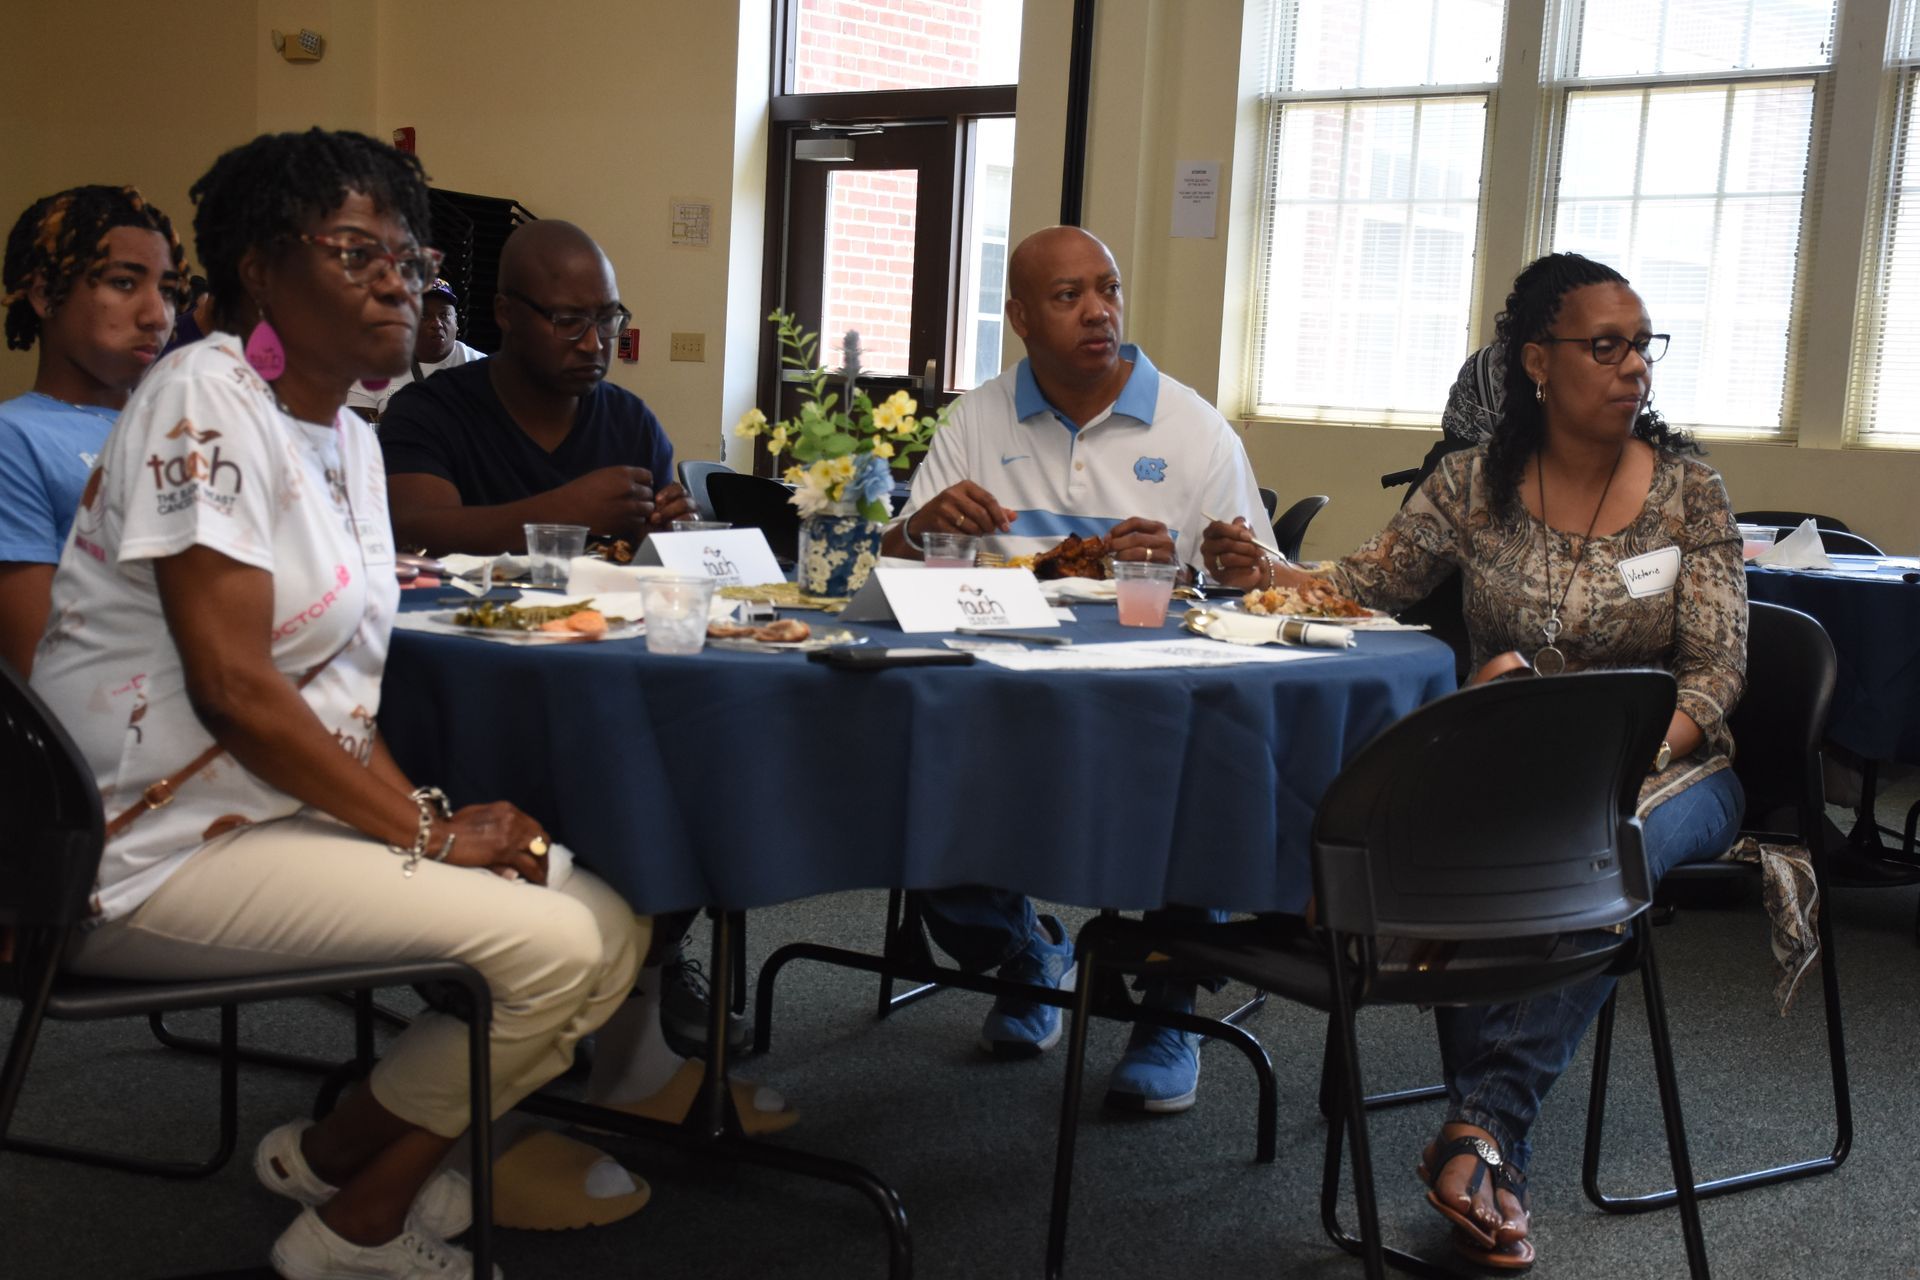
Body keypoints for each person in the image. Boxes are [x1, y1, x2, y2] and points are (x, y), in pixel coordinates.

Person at [30, 129, 652, 1280]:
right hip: (133, 844)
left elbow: (336, 702)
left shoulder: (352, 443)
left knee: (612, 922)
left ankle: (334, 1159)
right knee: (559, 946)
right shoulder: (202, 398)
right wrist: (428, 829)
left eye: (410, 261)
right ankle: (358, 1226)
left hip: (259, 813)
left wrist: (429, 817)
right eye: (355, 250)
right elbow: (234, 687)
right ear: (262, 269)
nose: (395, 283)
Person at [1202, 251, 1747, 1269]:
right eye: (1605, 346)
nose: (1633, 367)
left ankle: (1481, 1124)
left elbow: (1715, 679)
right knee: (1460, 843)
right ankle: (1491, 1160)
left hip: (1671, 768)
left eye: (1642, 346)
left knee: (1596, 844)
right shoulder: (1468, 483)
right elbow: (1366, 585)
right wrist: (1268, 568)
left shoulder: (1690, 493)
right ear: (1537, 361)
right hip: (1518, 757)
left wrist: (1622, 763)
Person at [882, 225, 1268, 1114]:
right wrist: (925, 524)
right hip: (1002, 692)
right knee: (912, 771)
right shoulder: (976, 418)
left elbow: (1254, 584)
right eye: (1068, 296)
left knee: (1209, 777)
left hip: (1154, 700)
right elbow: (898, 572)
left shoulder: (1192, 426)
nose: (1098, 311)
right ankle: (1027, 956)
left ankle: (1169, 1012)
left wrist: (1193, 566)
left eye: (1108, 288)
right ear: (1017, 316)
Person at [379, 220, 692, 554]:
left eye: (605, 319)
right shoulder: (429, 412)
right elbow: (416, 533)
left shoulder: (632, 424)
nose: (592, 343)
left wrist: (666, 537)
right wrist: (566, 513)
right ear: (506, 313)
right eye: (568, 321)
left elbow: (653, 566)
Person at [0, 185, 184, 675]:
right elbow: (38, 668)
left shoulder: (184, 434)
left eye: (168, 291)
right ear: (43, 292)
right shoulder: (14, 439)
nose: (156, 315)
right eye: (124, 283)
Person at [346, 275, 481, 422]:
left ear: (456, 322)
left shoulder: (483, 369)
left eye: (444, 315)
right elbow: (357, 434)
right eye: (424, 315)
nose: (436, 324)